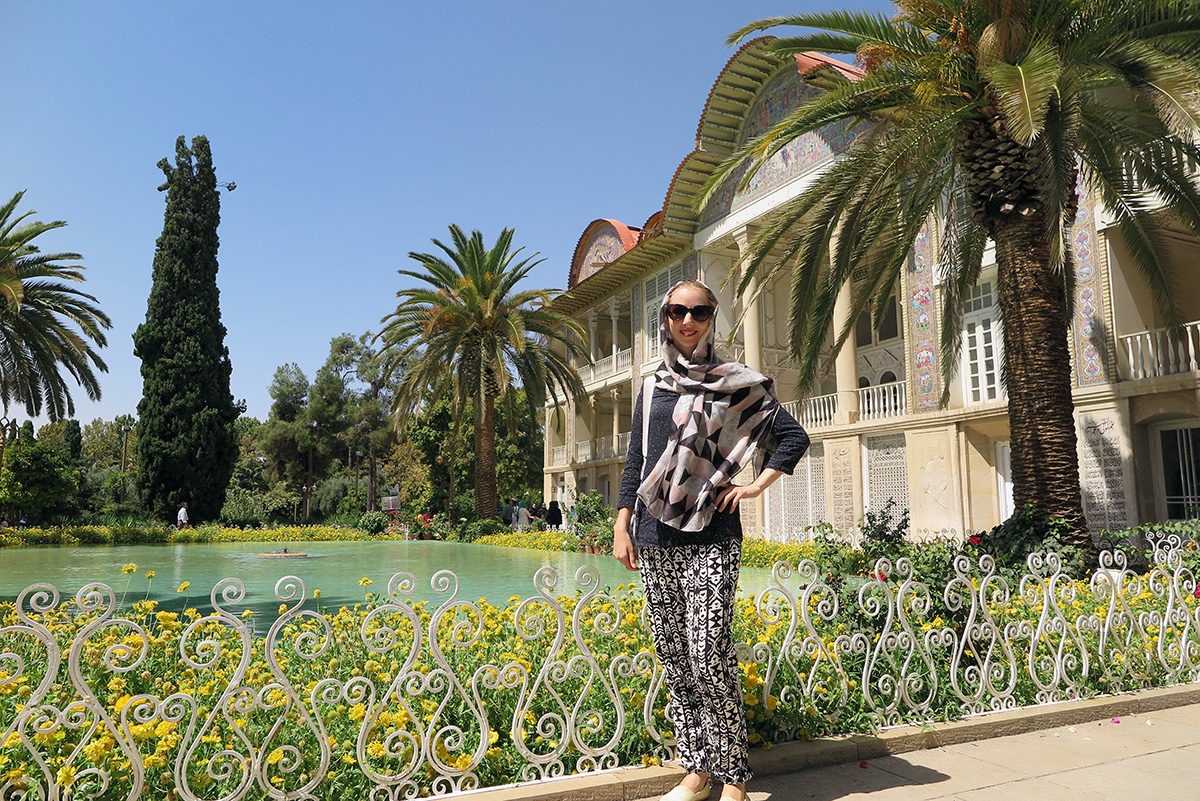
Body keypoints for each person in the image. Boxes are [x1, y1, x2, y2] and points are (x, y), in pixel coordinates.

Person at [614, 279, 809, 801]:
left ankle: (735, 776)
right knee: (675, 654)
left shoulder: (734, 382)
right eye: (678, 310)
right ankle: (698, 771)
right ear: (665, 318)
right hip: (655, 532)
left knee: (707, 650)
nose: (687, 320)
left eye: (699, 311)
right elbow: (637, 461)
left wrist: (752, 486)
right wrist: (621, 522)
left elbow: (792, 437)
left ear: (712, 317)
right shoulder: (653, 385)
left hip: (712, 532)